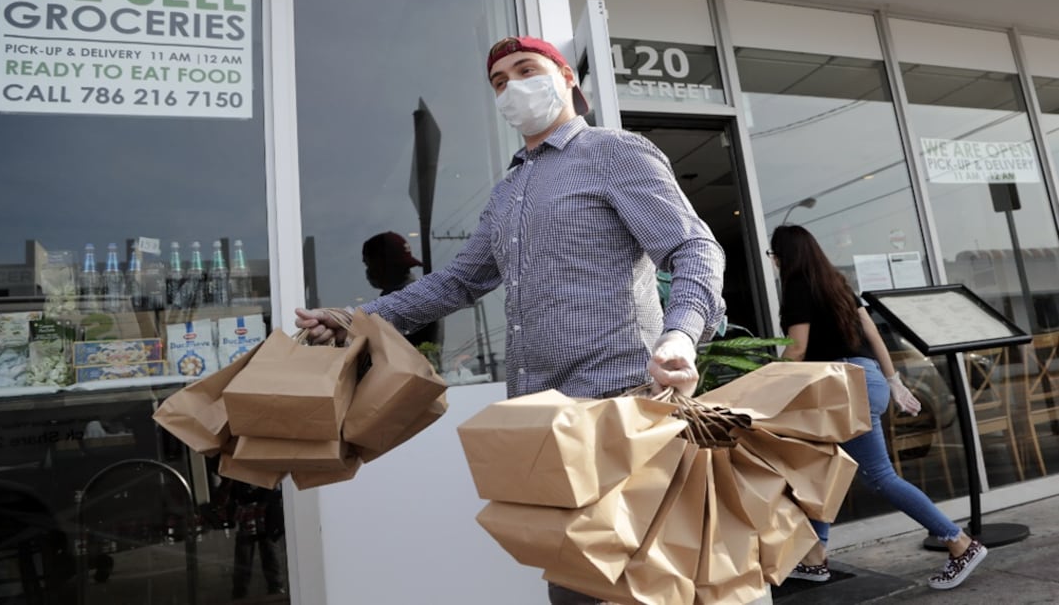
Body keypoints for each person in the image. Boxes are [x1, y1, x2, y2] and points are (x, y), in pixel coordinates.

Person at [296, 35, 727, 604]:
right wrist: (355, 318)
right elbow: (457, 281)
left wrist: (680, 335)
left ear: (566, 77)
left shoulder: (615, 152)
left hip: (618, 404)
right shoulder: (508, 192)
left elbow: (694, 248)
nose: (512, 87)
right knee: (571, 583)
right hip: (542, 417)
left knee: (637, 585)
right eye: (499, 82)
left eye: (526, 70)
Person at [769, 224, 987, 591]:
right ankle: (815, 557)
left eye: (773, 254)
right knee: (823, 468)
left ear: (784, 255)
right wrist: (892, 381)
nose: (772, 262)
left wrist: (764, 384)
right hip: (863, 378)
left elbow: (797, 349)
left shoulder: (796, 287)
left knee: (879, 477)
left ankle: (959, 543)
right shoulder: (835, 283)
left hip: (841, 385)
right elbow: (872, 334)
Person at [361, 231, 441, 348]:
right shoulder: (419, 295)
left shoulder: (408, 302)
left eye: (369, 265)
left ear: (382, 266)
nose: (369, 272)